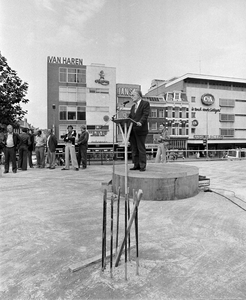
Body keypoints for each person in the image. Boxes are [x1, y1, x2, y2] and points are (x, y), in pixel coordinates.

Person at [128, 90, 150, 172]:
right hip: (133, 130)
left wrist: (141, 122)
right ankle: (136, 164)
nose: (131, 97)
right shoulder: (133, 107)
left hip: (141, 130)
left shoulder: (145, 103)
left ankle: (142, 165)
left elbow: (145, 114)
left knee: (141, 148)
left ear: (138, 95)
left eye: (133, 95)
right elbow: (130, 118)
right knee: (134, 148)